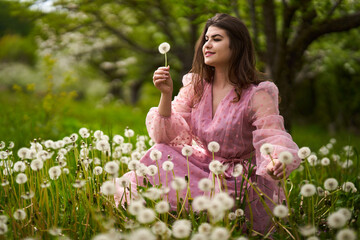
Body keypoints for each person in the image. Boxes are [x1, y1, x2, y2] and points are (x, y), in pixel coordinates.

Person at [115, 13, 300, 234]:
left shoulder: (258, 94)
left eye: (217, 39)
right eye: (206, 39)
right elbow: (164, 137)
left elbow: (272, 134)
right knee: (160, 152)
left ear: (237, 46)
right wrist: (165, 94)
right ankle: (149, 221)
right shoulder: (196, 85)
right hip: (202, 166)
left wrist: (277, 160)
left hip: (237, 180)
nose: (207, 45)